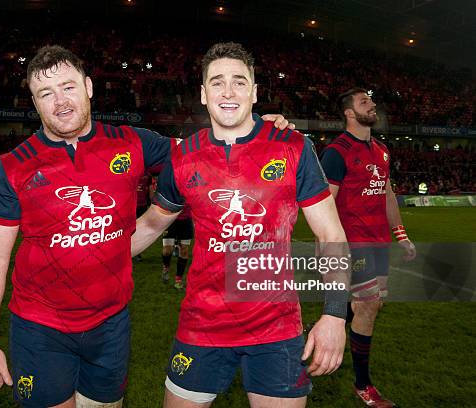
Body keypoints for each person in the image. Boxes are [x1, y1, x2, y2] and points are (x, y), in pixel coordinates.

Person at [0, 45, 293, 408]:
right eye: (46, 93)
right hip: (41, 327)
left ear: (89, 87)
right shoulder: (14, 167)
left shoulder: (131, 142)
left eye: (69, 87)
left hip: (111, 324)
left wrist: (255, 128)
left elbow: (204, 149)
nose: (60, 101)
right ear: (34, 101)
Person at [132, 42, 350, 408]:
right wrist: (94, 255)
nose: (228, 92)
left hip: (276, 328)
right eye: (217, 82)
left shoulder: (294, 146)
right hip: (201, 325)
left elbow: (331, 234)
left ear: (254, 91)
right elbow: (152, 225)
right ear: (203, 94)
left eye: (238, 81)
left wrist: (334, 314)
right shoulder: (184, 156)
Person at [320, 87, 416, 408]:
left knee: (372, 305)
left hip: (379, 243)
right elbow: (325, 203)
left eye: (372, 101)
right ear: (349, 112)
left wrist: (401, 235)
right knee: (368, 306)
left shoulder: (383, 150)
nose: (372, 105)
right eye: (364, 102)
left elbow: (387, 194)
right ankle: (363, 385)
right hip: (353, 243)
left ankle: (325, 323)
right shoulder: (337, 151)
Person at [161, 204, 193, 289]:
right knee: (167, 250)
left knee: (184, 250)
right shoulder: (168, 189)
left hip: (186, 220)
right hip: (170, 219)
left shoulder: (190, 189)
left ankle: (178, 280)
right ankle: (166, 267)